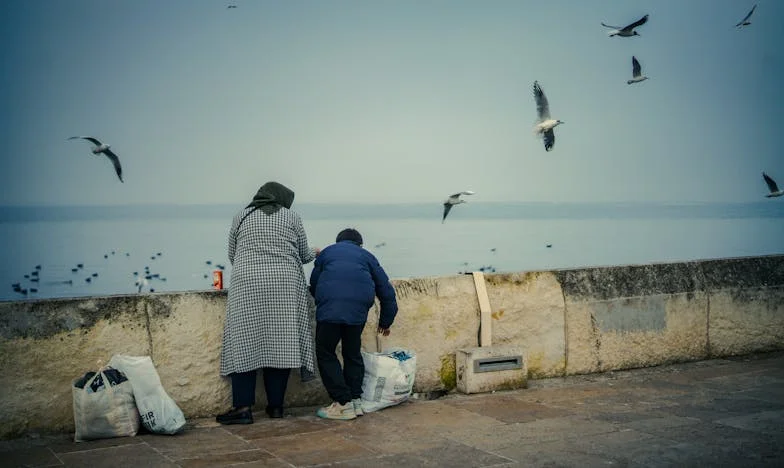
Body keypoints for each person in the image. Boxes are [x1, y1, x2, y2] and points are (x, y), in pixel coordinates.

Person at [216, 181, 319, 424]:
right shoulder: (291, 217)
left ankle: (242, 408)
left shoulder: (241, 216)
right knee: (281, 343)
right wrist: (317, 251)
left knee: (243, 342)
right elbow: (304, 255)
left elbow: (232, 255)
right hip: (284, 285)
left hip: (246, 284)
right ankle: (276, 407)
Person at [309, 228, 398, 420]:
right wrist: (385, 322)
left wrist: (324, 302)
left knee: (325, 353)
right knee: (352, 352)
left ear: (338, 241)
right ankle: (356, 399)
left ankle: (343, 403)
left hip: (329, 313)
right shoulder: (367, 256)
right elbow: (387, 292)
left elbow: (314, 283)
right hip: (357, 312)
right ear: (360, 244)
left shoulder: (327, 253)